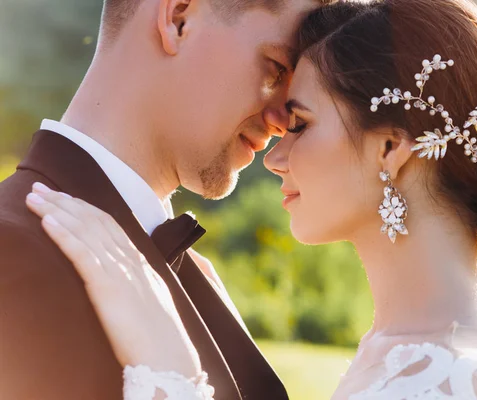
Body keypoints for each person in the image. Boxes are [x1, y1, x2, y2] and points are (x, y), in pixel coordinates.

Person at [24, 0, 477, 399]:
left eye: (300, 122)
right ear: (176, 18)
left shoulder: (436, 375)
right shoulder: (425, 352)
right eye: (275, 67)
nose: (275, 141)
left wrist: (171, 374)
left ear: (392, 147)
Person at [0, 0, 325, 399]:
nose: (281, 120)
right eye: (277, 69)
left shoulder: (199, 279)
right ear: (178, 18)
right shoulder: (10, 256)